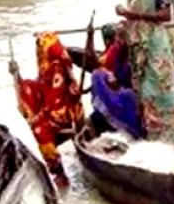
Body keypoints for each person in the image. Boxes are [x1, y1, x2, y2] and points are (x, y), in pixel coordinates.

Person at [116, 0, 174, 141]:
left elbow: (164, 15)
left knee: (159, 93)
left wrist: (131, 14)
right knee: (143, 93)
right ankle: (150, 136)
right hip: (140, 47)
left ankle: (167, 138)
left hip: (155, 45)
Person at [11, 32, 83, 184]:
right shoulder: (46, 67)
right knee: (28, 89)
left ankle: (58, 170)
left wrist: (36, 119)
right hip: (50, 109)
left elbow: (53, 101)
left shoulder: (56, 68)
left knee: (38, 130)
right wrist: (17, 77)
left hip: (61, 113)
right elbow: (39, 87)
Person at [87, 24, 144, 139]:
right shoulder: (121, 52)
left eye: (119, 38)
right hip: (128, 98)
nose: (117, 41)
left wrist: (90, 38)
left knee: (97, 75)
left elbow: (95, 62)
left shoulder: (117, 52)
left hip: (126, 102)